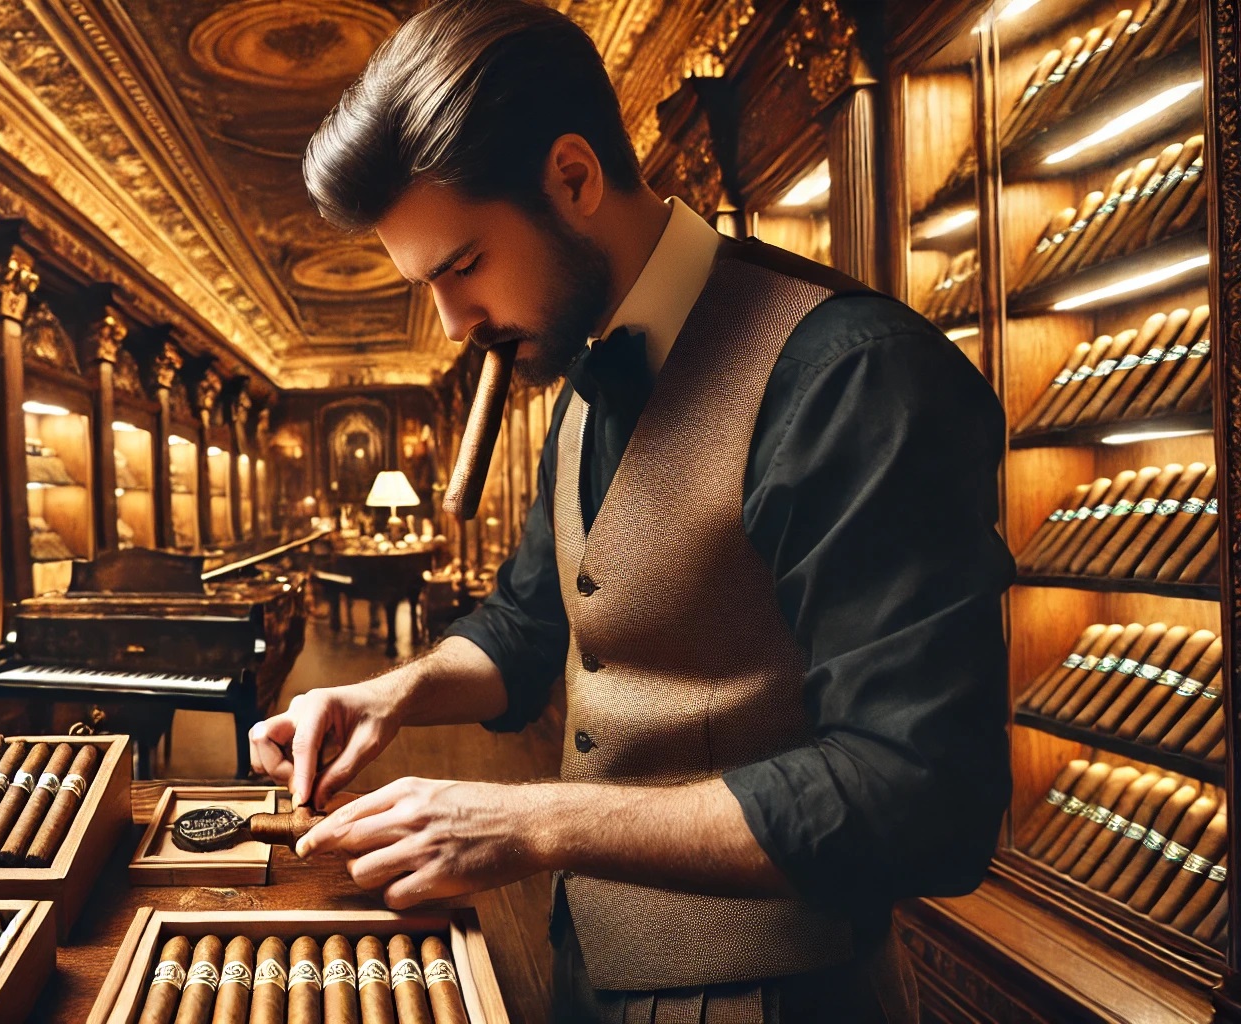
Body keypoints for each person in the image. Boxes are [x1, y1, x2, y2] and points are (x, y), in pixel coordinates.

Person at [250, 1, 1014, 1021]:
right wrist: (389, 696)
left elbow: (921, 795)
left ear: (572, 178)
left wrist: (535, 824)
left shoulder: (850, 376)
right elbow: (530, 624)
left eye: (462, 265)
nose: (452, 322)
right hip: (594, 965)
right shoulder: (576, 374)